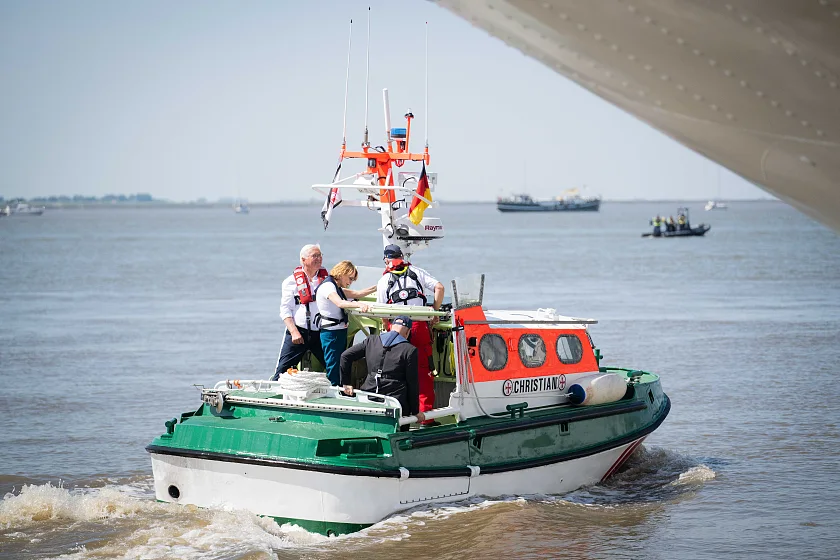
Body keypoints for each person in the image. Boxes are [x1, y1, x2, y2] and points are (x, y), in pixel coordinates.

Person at [376, 244, 444, 423]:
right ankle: (425, 418)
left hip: (396, 330)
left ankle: (399, 416)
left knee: (396, 371)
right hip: (419, 326)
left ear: (386, 260)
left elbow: (382, 311)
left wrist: (387, 325)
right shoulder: (417, 272)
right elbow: (440, 287)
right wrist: (433, 313)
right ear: (402, 257)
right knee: (423, 372)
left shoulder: (384, 281)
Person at [339, 315, 425, 427]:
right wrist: (415, 411)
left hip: (368, 396)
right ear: (408, 332)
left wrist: (346, 383)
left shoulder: (371, 340)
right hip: (395, 401)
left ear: (391, 327)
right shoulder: (410, 350)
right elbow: (412, 382)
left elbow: (345, 356)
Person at [315, 260, 376, 386]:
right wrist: (358, 304)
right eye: (350, 278)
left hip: (339, 330)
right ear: (342, 273)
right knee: (333, 363)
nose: (350, 282)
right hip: (331, 332)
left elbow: (358, 293)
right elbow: (340, 303)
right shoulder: (328, 287)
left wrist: (378, 286)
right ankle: (334, 389)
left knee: (340, 361)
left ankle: (339, 387)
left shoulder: (337, 288)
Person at [272, 244, 328, 380]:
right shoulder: (290, 282)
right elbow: (285, 309)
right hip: (299, 332)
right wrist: (293, 332)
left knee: (333, 364)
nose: (319, 259)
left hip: (320, 332)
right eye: (315, 256)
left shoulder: (327, 280)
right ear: (303, 260)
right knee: (283, 369)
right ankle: (274, 392)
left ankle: (340, 391)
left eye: (320, 255)